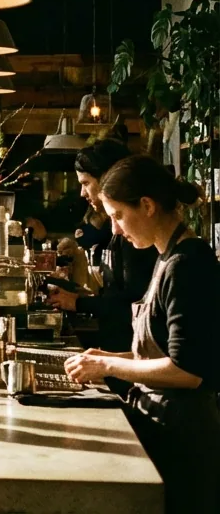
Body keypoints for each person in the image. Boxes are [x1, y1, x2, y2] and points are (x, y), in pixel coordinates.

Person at [64, 155, 220, 512]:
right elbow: (158, 353)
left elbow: (187, 371)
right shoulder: (166, 256)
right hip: (164, 424)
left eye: (118, 215)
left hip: (184, 438)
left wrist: (109, 369)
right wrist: (105, 357)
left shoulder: (187, 265)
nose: (115, 229)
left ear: (147, 206)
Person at [47, 140, 158, 355]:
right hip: (122, 356)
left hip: (134, 359)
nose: (82, 193)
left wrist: (79, 303)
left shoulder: (135, 238)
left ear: (108, 178)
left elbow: (134, 307)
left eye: (86, 183)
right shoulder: (121, 234)